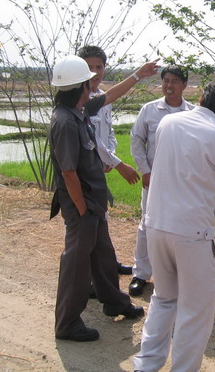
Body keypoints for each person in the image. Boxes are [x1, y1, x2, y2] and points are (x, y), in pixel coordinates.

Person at [132, 78, 215, 372]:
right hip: (193, 232)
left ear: (203, 98)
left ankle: (146, 365)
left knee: (163, 298)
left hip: (157, 224)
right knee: (194, 310)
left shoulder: (168, 123)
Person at [49, 55, 159, 342]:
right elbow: (68, 173)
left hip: (92, 204)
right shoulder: (65, 122)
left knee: (103, 256)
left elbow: (110, 96)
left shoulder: (78, 110)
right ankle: (67, 324)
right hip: (82, 206)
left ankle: (115, 303)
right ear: (81, 87)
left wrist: (138, 75)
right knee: (76, 264)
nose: (94, 85)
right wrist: (82, 209)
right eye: (89, 81)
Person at [129, 65, 194, 297]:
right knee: (147, 225)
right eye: (166, 80)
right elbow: (136, 140)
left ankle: (175, 275)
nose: (169, 85)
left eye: (174, 81)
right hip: (154, 179)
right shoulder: (149, 110)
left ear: (184, 85)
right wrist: (144, 171)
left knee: (179, 226)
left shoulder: (193, 113)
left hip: (182, 182)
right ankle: (141, 274)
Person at [78, 45, 139, 278]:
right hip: (84, 171)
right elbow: (91, 139)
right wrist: (117, 163)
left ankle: (107, 264)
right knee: (86, 225)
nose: (95, 72)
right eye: (89, 67)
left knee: (101, 218)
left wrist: (109, 157)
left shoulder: (104, 97)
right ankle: (88, 276)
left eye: (99, 66)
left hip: (100, 168)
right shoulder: (80, 101)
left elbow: (108, 133)